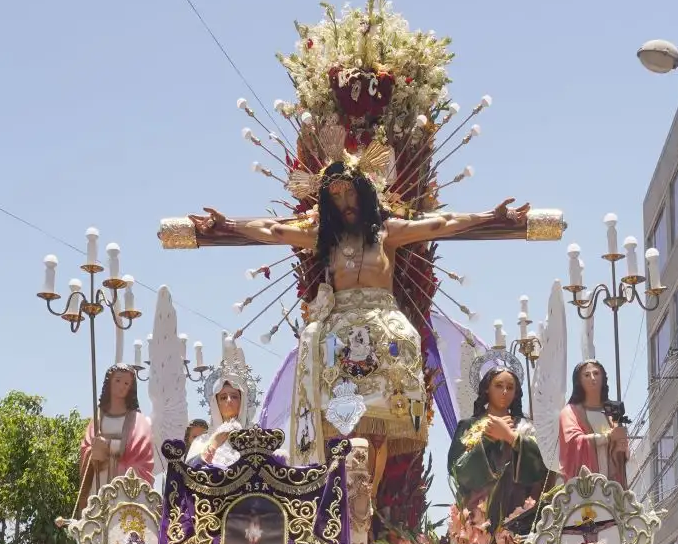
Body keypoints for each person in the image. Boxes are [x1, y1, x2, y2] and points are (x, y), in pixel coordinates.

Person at [190, 164, 531, 475]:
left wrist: (490, 216)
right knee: (340, 427)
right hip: (338, 340)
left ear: (364, 193)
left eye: (351, 191)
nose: (345, 201)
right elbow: (274, 229)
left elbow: (442, 224)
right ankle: (341, 504)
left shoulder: (386, 233)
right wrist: (227, 225)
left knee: (378, 429)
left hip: (385, 336)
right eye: (336, 195)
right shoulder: (325, 237)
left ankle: (365, 507)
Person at [448, 357, 548, 544]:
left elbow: (544, 467)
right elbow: (457, 470)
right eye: (499, 386)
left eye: (510, 387)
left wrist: (512, 439)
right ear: (487, 389)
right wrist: (487, 439)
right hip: (478, 514)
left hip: (517, 512)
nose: (504, 392)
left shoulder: (527, 428)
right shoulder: (468, 426)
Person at [75, 363, 154, 521]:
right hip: (98, 486)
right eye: (118, 381)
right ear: (109, 382)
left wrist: (108, 447)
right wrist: (92, 454)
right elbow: (87, 448)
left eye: (127, 383)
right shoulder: (98, 418)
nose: (122, 387)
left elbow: (142, 457)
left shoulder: (138, 420)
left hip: (124, 494)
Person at [186, 352, 261, 470]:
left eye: (234, 396)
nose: (229, 400)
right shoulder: (203, 441)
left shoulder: (255, 438)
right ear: (216, 404)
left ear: (242, 402)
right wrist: (214, 445)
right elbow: (188, 474)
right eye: (223, 397)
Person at [557, 358, 628, 483]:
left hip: (611, 484)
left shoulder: (611, 413)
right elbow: (573, 443)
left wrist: (620, 446)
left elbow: (620, 453)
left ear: (603, 378)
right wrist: (608, 437)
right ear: (579, 381)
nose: (592, 378)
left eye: (596, 373)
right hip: (584, 486)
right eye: (586, 375)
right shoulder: (570, 412)